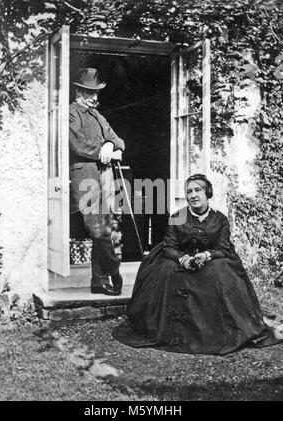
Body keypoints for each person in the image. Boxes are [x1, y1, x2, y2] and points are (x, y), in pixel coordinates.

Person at [112, 174, 282, 355]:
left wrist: (207, 255)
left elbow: (223, 248)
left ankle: (220, 329)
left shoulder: (220, 219)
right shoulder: (178, 216)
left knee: (220, 270)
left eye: (198, 190)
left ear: (207, 193)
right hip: (180, 258)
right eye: (189, 192)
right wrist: (183, 258)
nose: (193, 195)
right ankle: (166, 329)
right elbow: (169, 246)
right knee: (165, 269)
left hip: (211, 259)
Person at [69, 68, 124, 296]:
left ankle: (98, 281)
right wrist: (105, 152)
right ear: (78, 90)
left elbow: (118, 139)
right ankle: (114, 271)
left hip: (105, 178)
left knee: (107, 227)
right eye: (89, 92)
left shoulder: (98, 115)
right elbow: (76, 145)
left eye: (96, 93)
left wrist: (111, 146)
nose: (94, 97)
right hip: (85, 177)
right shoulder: (72, 113)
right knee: (98, 229)